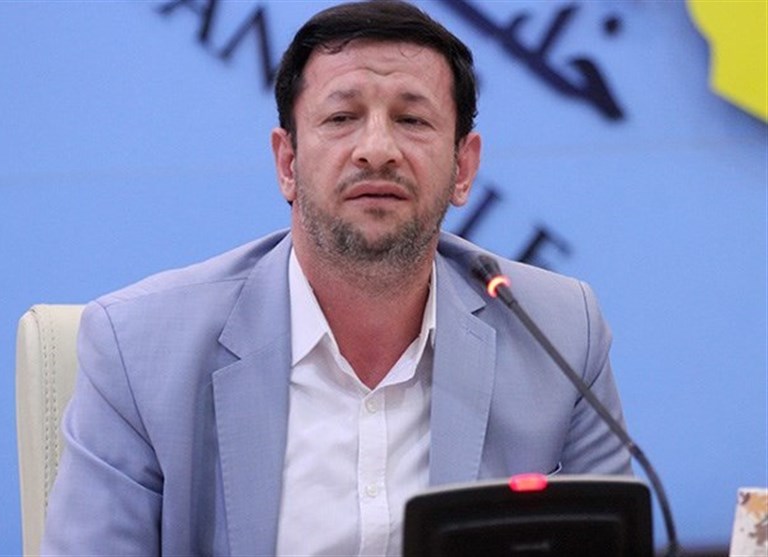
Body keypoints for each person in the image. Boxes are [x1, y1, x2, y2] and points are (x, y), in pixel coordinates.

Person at [42, 1, 631, 555]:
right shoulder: (138, 350)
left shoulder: (560, 336)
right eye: (342, 118)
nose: (376, 150)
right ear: (288, 162)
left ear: (463, 167)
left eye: (412, 119)